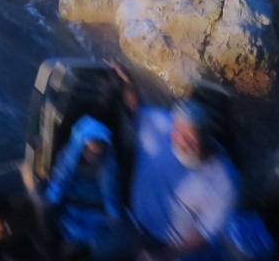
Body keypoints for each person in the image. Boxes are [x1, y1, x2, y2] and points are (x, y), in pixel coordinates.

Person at [128, 97, 239, 261]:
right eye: (178, 132)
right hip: (133, 225)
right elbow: (135, 106)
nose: (182, 142)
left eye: (191, 136)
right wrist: (124, 79)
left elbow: (205, 233)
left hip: (170, 247)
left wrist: (162, 255)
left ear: (207, 136)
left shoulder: (226, 182)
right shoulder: (161, 125)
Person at [46, 115, 123, 259]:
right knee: (69, 239)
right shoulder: (69, 156)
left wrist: (113, 213)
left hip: (95, 207)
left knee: (91, 242)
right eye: (91, 151)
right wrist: (51, 197)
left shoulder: (108, 164)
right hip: (72, 204)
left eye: (98, 153)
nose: (94, 157)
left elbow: (110, 190)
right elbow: (59, 179)